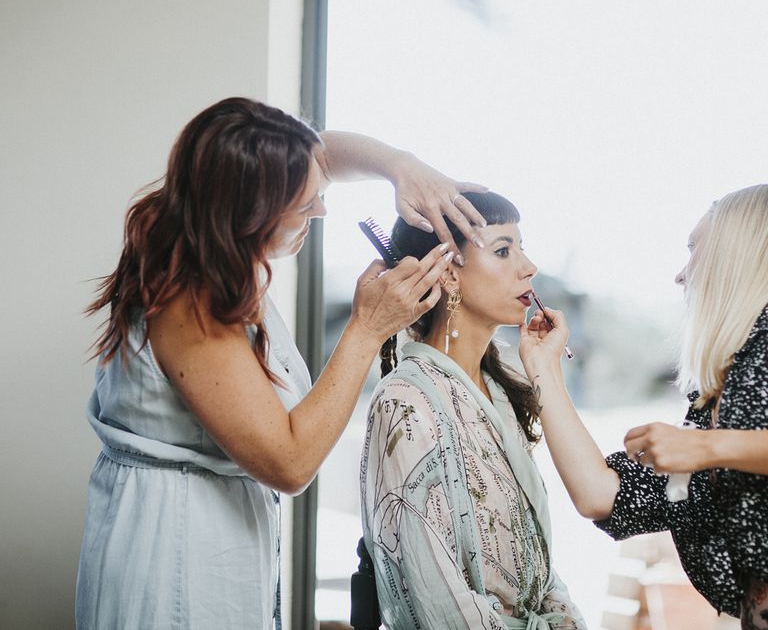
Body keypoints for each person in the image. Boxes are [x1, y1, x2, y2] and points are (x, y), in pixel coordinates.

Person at [75, 97, 489, 629]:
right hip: (173, 550)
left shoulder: (200, 204)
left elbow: (320, 157)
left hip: (218, 530)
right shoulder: (190, 300)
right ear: (252, 210)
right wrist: (367, 329)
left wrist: (399, 166)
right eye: (305, 204)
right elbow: (289, 465)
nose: (321, 210)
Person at [517, 184, 768, 625]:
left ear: (738, 254)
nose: (681, 273)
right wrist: (543, 368)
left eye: (694, 248)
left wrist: (710, 449)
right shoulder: (710, 402)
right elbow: (602, 496)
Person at [360, 191, 586, 629]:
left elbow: (538, 565)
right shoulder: (405, 402)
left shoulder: (501, 394)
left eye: (520, 247)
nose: (529, 267)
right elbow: (439, 605)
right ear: (448, 273)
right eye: (503, 250)